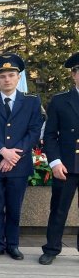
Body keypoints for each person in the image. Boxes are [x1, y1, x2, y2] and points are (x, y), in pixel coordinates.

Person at [0, 54, 43, 261]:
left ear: (18, 77)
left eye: (11, 75)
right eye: (3, 76)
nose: (7, 79)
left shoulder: (32, 102)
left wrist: (14, 155)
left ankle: (13, 244)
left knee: (14, 208)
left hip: (19, 165)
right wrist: (3, 152)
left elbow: (34, 131)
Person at [39, 52, 79, 265]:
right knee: (59, 209)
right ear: (74, 75)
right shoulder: (61, 101)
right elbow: (50, 135)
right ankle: (52, 248)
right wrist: (54, 162)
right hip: (66, 164)